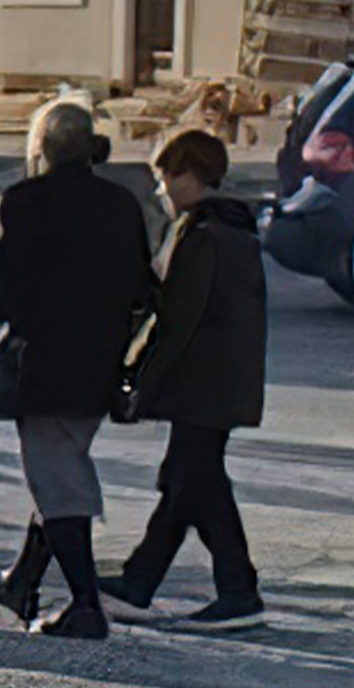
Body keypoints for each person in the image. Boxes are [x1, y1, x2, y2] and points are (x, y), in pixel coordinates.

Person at [0, 101, 153, 641]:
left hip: (45, 361)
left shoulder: (24, 201)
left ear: (41, 147)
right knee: (59, 467)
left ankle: (84, 604)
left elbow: (4, 287)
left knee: (57, 476)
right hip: (101, 357)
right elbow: (141, 286)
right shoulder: (121, 202)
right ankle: (22, 580)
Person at [104, 129, 268, 631]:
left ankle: (238, 590)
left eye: (165, 177)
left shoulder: (204, 237)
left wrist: (138, 385)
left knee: (200, 483)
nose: (161, 191)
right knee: (183, 481)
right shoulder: (229, 230)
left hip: (204, 384)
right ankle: (140, 578)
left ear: (188, 175)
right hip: (219, 381)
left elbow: (177, 323)